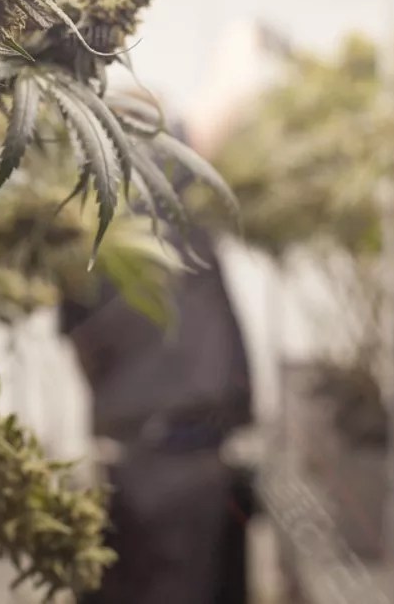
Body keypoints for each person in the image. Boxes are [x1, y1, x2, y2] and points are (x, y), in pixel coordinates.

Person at [59, 120, 255, 604]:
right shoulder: (192, 237)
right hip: (187, 455)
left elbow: (80, 343)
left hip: (138, 455)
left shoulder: (88, 242)